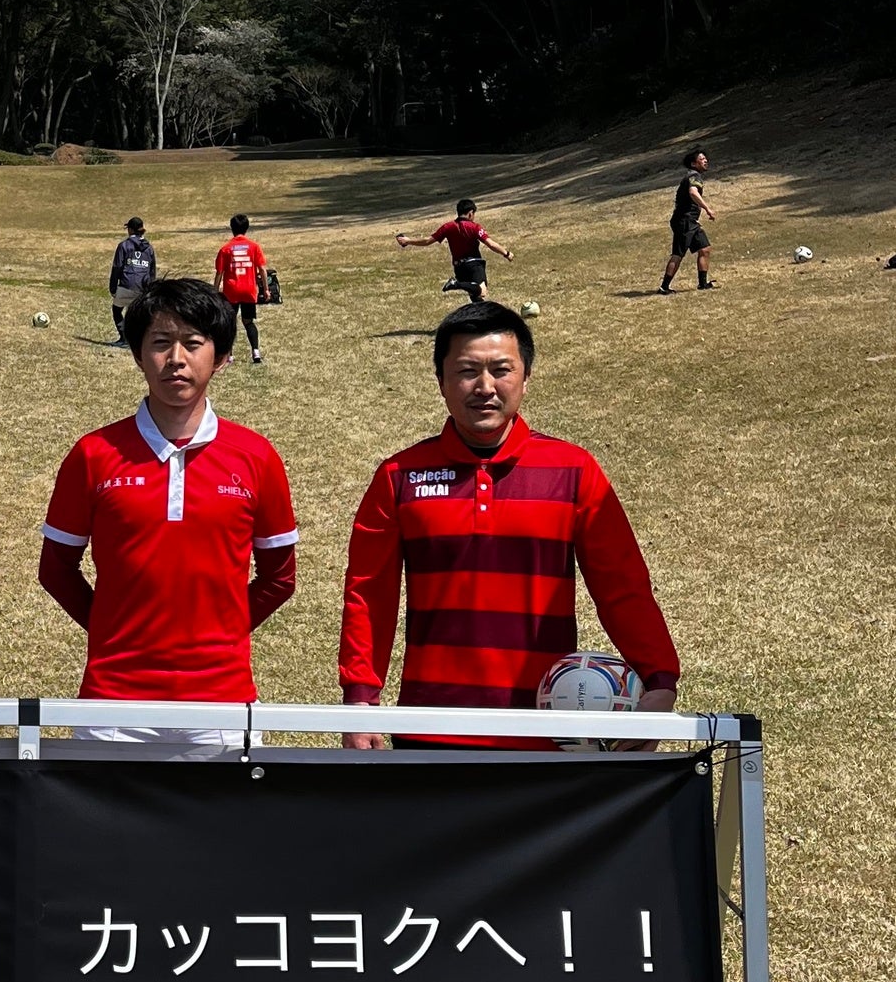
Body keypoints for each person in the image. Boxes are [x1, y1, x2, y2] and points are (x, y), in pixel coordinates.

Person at [337, 299, 678, 745]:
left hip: (547, 734)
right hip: (430, 728)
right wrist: (360, 699)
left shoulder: (574, 471)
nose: (485, 386)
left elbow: (623, 586)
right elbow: (369, 595)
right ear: (441, 381)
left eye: (501, 370)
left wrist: (659, 678)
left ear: (525, 377)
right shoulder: (399, 476)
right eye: (466, 371)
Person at [40, 274, 297, 736]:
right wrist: (113, 633)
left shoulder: (256, 456)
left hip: (221, 703)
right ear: (138, 354)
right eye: (160, 343)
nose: (176, 358)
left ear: (221, 357)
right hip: (113, 702)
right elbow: (56, 570)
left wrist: (222, 636)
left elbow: (279, 578)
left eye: (193, 343)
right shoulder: (93, 455)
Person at [396, 199, 511, 305]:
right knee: (481, 291)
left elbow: (427, 241)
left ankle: (479, 317)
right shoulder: (474, 227)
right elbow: (491, 244)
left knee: (476, 298)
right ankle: (456, 284)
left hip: (459, 268)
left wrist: (408, 241)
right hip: (474, 264)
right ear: (470, 213)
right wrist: (506, 253)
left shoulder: (448, 227)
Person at [213, 213, 271, 363]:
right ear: (247, 228)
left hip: (231, 291)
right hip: (249, 290)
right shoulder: (254, 247)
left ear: (231, 228)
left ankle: (229, 354)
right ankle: (256, 352)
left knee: (230, 322)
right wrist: (266, 289)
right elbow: (262, 269)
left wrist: (214, 291)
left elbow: (220, 272)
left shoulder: (226, 249)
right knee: (248, 321)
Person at [662, 150, 716, 292]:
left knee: (704, 249)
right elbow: (693, 192)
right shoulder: (694, 176)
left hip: (690, 221)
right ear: (693, 163)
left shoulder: (693, 175)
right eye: (701, 159)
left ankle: (703, 284)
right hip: (684, 220)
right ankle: (664, 287)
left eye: (705, 158)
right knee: (678, 254)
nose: (705, 161)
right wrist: (707, 209)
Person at [108, 216, 157, 345]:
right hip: (143, 287)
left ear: (130, 230)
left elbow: (117, 267)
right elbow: (152, 271)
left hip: (126, 285)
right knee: (140, 315)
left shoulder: (124, 246)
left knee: (117, 310)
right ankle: (141, 340)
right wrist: (150, 290)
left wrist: (113, 288)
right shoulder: (149, 248)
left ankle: (124, 338)